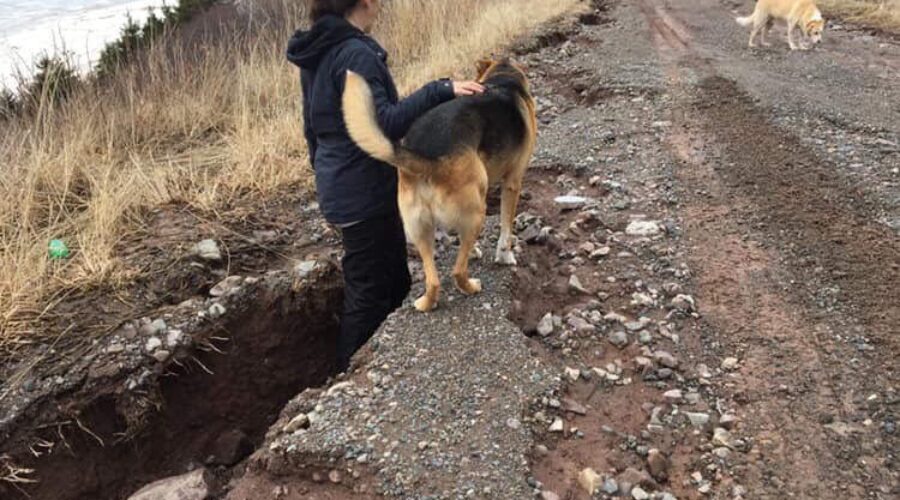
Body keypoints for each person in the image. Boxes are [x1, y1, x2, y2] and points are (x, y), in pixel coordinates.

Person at [286, 0, 485, 372]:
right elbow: (386, 124)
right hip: (365, 193)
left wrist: (326, 175)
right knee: (368, 292)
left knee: (392, 279)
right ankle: (348, 378)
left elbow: (310, 127)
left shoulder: (319, 48)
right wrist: (440, 89)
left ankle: (384, 366)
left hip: (342, 187)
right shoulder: (356, 53)